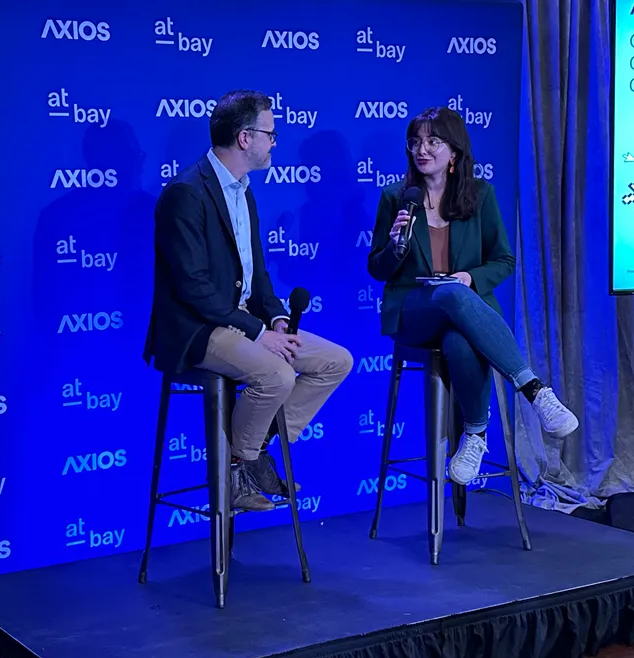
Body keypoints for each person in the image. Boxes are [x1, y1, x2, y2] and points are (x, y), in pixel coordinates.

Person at [145, 90, 353, 511]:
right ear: (245, 138)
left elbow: (256, 278)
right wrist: (258, 333)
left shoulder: (245, 192)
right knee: (277, 375)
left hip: (240, 321)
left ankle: (250, 452)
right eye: (270, 134)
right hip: (195, 327)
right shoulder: (185, 193)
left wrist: (275, 320)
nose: (275, 142)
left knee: (336, 361)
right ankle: (236, 468)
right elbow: (193, 288)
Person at [366, 106, 578, 485]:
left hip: (462, 312)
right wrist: (396, 245)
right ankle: (534, 389)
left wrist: (470, 277)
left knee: (460, 339)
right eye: (415, 142)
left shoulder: (480, 196)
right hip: (413, 311)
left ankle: (475, 435)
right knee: (450, 296)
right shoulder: (396, 198)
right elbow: (377, 269)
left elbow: (504, 260)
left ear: (454, 152)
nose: (422, 149)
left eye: (433, 141)